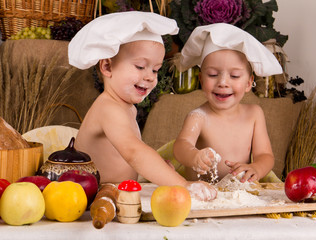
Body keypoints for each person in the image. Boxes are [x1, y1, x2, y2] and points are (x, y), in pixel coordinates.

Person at [68, 11, 217, 201]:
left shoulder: (126, 107)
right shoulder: (108, 108)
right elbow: (133, 152)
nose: (150, 76)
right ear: (107, 67)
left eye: (155, 69)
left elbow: (131, 154)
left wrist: (161, 171)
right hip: (94, 200)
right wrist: (183, 185)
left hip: (117, 195)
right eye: (140, 67)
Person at [173, 23, 283, 183]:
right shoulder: (198, 117)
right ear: (201, 80)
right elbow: (181, 146)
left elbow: (265, 155)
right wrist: (193, 156)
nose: (223, 82)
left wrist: (256, 168)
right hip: (202, 193)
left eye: (235, 76)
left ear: (248, 83)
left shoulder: (254, 114)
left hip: (237, 194)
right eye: (212, 74)